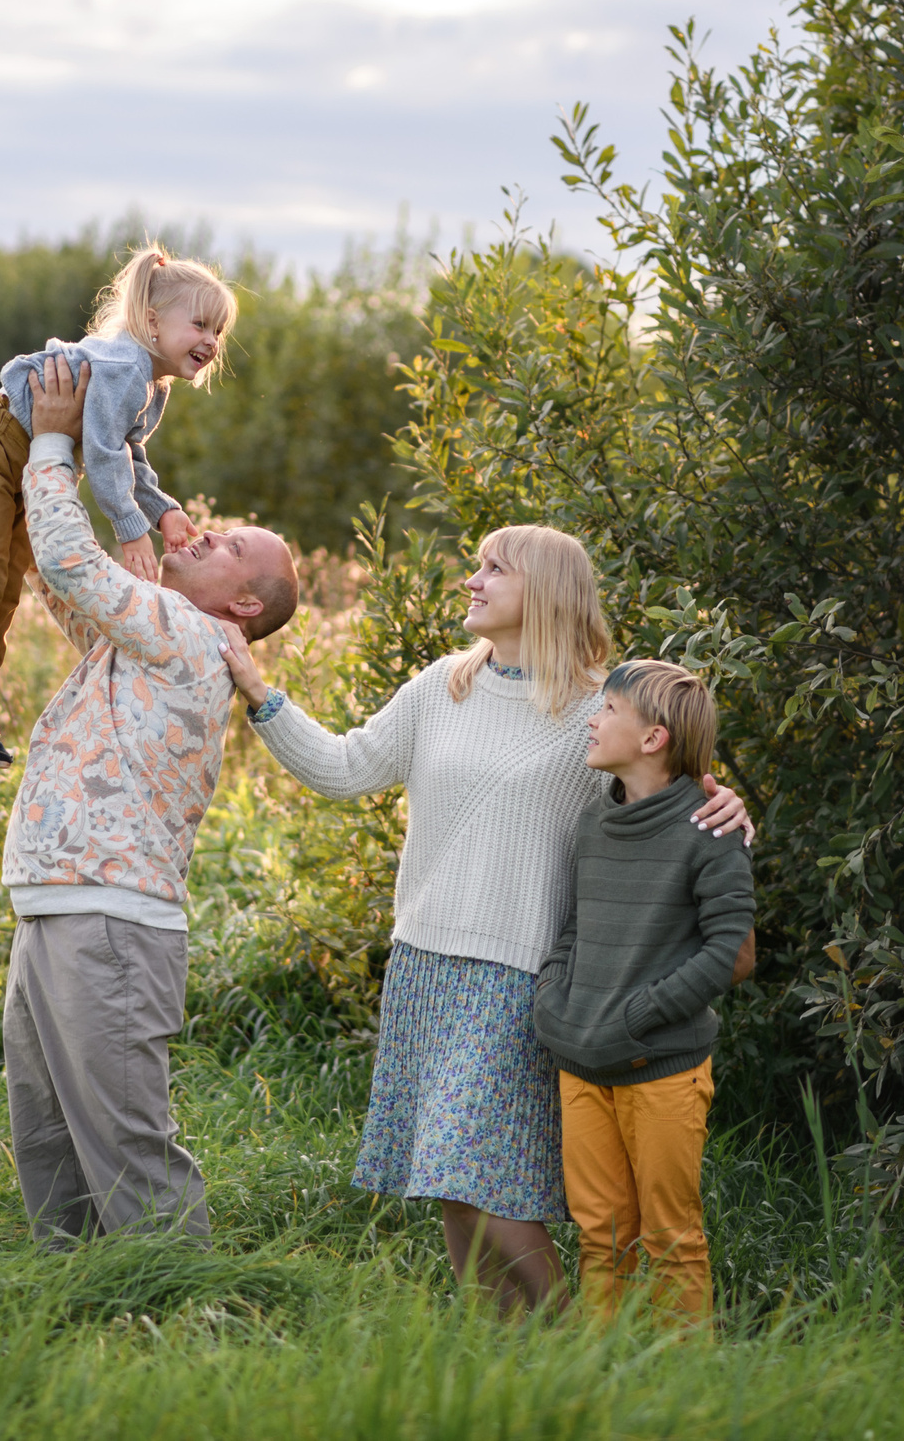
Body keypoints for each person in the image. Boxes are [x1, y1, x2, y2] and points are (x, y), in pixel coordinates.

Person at [220, 525, 752, 1313]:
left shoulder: (597, 711)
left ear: (543, 590)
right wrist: (258, 691)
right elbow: (341, 768)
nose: (471, 580)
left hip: (518, 973)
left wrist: (733, 808)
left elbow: (673, 794)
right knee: (450, 1186)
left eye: (491, 568)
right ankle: (505, 1356)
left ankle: (571, 1342)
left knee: (485, 1177)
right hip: (422, 964)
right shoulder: (444, 686)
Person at [0, 355, 299, 1244]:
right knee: (49, 1136)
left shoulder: (189, 634)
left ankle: (190, 1322)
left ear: (242, 605)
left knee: (129, 1144)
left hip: (111, 922)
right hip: (57, 905)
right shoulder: (150, 629)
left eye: (233, 547)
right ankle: (88, 1319)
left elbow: (68, 557)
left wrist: (54, 435)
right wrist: (50, 464)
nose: (207, 534)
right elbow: (62, 581)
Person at [0, 243, 236, 775]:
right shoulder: (126, 365)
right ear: (152, 322)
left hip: (24, 463)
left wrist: (163, 512)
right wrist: (132, 532)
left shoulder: (152, 386)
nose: (210, 341)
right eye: (200, 324)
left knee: (7, 588)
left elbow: (129, 454)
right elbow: (103, 455)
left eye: (218, 332)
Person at [533, 660, 753, 1325]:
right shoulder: (596, 822)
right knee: (601, 1234)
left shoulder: (710, 828)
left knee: (670, 1236)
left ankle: (683, 1393)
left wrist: (640, 1017)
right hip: (581, 1063)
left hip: (663, 1071)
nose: (592, 720)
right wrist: (554, 1003)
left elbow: (728, 953)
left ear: (653, 737)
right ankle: (609, 1380)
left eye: (606, 710)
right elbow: (574, 925)